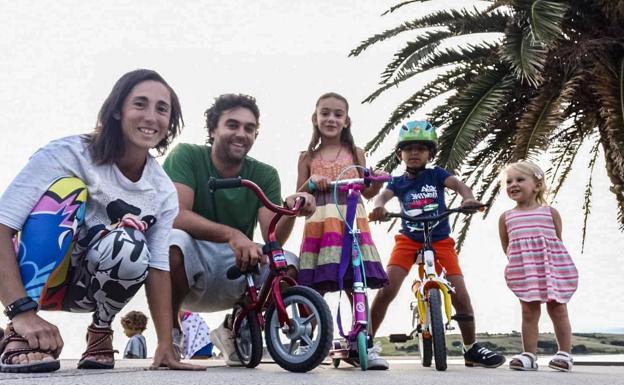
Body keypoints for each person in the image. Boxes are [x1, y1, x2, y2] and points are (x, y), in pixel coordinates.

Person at [0, 69, 203, 373]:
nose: (151, 116)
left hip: (88, 288)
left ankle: (100, 331)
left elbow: (159, 267)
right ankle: (19, 331)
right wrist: (20, 310)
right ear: (118, 111)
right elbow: (2, 226)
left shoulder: (161, 190)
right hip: (35, 278)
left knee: (131, 241)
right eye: (140, 104)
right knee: (66, 192)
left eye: (162, 109)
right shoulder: (66, 154)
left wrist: (165, 343)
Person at [162, 93, 315, 366]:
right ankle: (171, 333)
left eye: (249, 128)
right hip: (193, 262)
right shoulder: (186, 156)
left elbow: (274, 237)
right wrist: (233, 235)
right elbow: (176, 215)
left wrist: (291, 209)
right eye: (232, 125)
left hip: (239, 264)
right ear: (213, 129)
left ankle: (236, 328)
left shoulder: (264, 174)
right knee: (174, 241)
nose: (241, 133)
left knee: (287, 264)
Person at [368, 120, 506, 370]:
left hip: (440, 240)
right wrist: (379, 206)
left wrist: (468, 198)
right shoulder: (398, 182)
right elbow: (383, 196)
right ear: (400, 154)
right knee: (386, 289)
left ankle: (471, 348)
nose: (413, 153)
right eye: (408, 149)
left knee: (461, 295)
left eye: (420, 148)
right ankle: (365, 342)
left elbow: (459, 185)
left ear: (430, 153)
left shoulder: (437, 174)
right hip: (408, 240)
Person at [295, 92, 388, 368]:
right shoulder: (306, 156)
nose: (331, 118)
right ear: (315, 118)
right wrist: (312, 182)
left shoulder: (356, 153)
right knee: (314, 284)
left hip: (350, 222)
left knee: (355, 282)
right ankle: (306, 341)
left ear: (347, 121)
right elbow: (298, 196)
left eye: (337, 114)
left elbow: (367, 191)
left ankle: (363, 341)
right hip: (320, 224)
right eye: (325, 113)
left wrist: (377, 182)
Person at [499, 161, 578, 372]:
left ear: (537, 185)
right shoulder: (506, 217)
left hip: (552, 267)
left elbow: (557, 241)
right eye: (509, 181)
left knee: (558, 309)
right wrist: (521, 264)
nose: (513, 184)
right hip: (525, 270)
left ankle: (564, 354)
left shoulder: (550, 213)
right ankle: (529, 355)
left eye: (519, 180)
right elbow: (507, 247)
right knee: (528, 311)